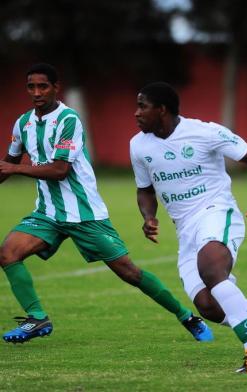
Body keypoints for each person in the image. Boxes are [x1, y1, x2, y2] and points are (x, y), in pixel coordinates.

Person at [0, 63, 213, 344]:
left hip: (85, 214)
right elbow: (9, 162)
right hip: (48, 213)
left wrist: (14, 170)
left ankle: (187, 316)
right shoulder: (23, 124)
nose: (37, 92)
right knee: (8, 254)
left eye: (43, 86)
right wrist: (10, 168)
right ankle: (37, 318)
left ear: (55, 87)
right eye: (31, 86)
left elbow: (59, 170)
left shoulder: (69, 120)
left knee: (130, 273)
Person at [130, 82, 247, 374]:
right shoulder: (138, 145)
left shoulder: (205, 132)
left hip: (216, 212)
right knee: (210, 307)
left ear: (161, 110)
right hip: (185, 229)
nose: (136, 113)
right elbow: (145, 189)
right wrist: (148, 216)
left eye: (142, 106)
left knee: (212, 271)